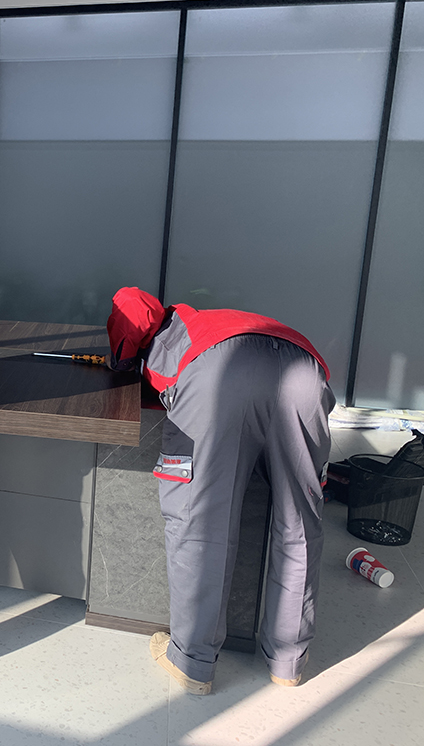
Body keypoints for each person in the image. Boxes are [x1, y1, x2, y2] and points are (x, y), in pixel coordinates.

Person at [105, 287, 335, 694]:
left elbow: (132, 304)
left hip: (219, 374)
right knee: (299, 526)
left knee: (200, 522)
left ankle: (192, 662)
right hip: (305, 371)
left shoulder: (163, 334)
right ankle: (288, 662)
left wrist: (122, 362)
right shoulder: (202, 320)